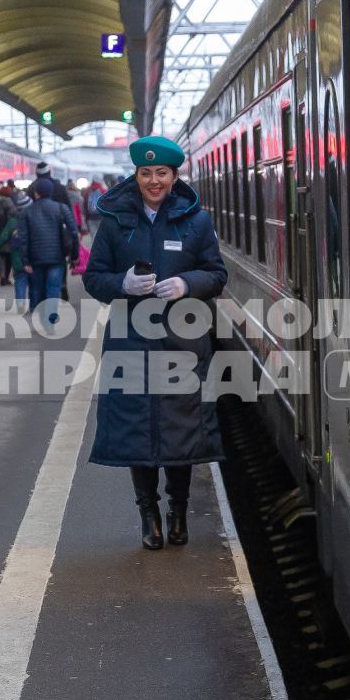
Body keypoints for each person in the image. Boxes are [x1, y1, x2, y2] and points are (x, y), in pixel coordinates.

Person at [83, 136, 226, 550]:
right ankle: (148, 514)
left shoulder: (196, 221)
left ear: (175, 175)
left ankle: (177, 512)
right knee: (136, 431)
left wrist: (187, 283)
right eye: (146, 173)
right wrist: (122, 284)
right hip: (130, 341)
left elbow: (215, 274)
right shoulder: (114, 222)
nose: (154, 180)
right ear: (137, 175)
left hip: (182, 341)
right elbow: (94, 279)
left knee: (179, 431)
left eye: (161, 173)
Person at [17, 178, 78, 327]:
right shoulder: (61, 208)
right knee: (53, 287)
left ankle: (40, 317)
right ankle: (50, 316)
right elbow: (73, 232)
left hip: (35, 258)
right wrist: (74, 255)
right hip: (57, 257)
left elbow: (23, 239)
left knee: (37, 288)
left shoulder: (27, 212)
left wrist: (25, 261)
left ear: (36, 193)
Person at [0, 188, 30, 312]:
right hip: (33, 256)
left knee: (19, 279)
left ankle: (20, 304)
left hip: (17, 256)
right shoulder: (32, 220)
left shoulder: (13, 222)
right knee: (34, 282)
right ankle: (34, 303)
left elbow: (4, 237)